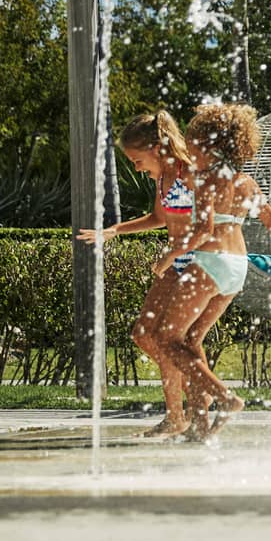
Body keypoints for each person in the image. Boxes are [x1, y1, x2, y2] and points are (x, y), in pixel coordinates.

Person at [155, 103, 271, 440]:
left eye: (193, 141)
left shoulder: (210, 179)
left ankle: (225, 398)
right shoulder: (246, 182)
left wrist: (168, 258)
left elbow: (203, 231)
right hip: (237, 268)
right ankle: (199, 425)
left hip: (210, 263)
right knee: (192, 340)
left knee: (165, 339)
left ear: (209, 145)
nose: (190, 147)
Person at [78, 111, 199, 439]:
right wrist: (115, 229)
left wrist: (174, 254)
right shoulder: (162, 179)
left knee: (166, 339)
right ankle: (184, 399)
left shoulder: (188, 172)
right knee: (143, 334)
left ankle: (182, 412)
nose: (135, 167)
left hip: (198, 264)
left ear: (157, 147)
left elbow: (208, 223)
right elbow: (159, 217)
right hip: (175, 265)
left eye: (137, 159)